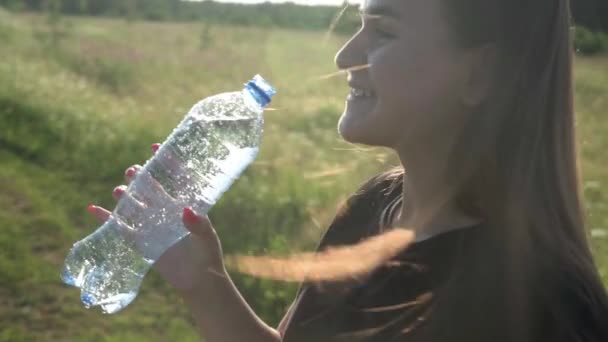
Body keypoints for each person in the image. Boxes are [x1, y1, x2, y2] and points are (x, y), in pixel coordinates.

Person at [89, 0, 608, 340]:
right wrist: (204, 282)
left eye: (382, 31)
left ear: (481, 72)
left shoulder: (541, 310)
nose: (344, 55)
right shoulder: (373, 208)